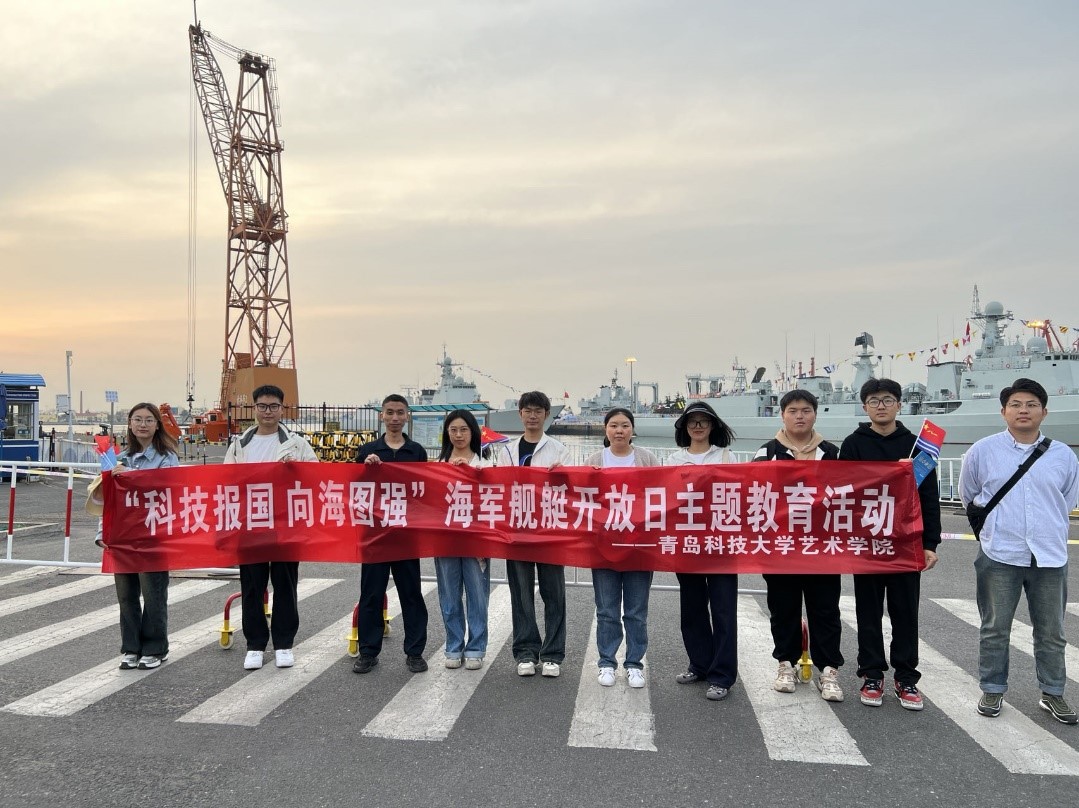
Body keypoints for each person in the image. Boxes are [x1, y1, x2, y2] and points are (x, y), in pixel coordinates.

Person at [960, 378, 1079, 724]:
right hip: (1000, 552)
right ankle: (992, 688)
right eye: (1015, 404)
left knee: (1052, 631)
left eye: (1031, 404)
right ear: (1003, 412)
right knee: (995, 627)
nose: (1023, 410)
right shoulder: (982, 451)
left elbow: (1066, 500)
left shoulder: (1063, 455)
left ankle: (1053, 692)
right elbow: (969, 496)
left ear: (1044, 412)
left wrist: (1045, 528)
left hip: (1049, 555)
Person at [839, 378, 941, 711]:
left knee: (905, 612)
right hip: (867, 542)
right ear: (864, 407)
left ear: (899, 404)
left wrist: (930, 542)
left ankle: (906, 677)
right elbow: (844, 494)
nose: (880, 406)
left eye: (887, 400)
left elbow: (929, 496)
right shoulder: (853, 444)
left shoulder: (916, 447)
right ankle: (871, 674)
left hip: (906, 543)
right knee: (867, 612)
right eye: (873, 401)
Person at [753, 389, 844, 702]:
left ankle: (828, 670)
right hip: (781, 549)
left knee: (826, 610)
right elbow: (752, 494)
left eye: (806, 410)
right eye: (793, 411)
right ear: (782, 415)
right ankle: (785, 664)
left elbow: (850, 495)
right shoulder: (767, 453)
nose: (800, 416)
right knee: (783, 610)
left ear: (815, 414)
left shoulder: (831, 454)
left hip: (822, 548)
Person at [223, 384, 319, 671]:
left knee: (285, 584)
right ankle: (254, 644)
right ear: (254, 409)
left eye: (274, 406)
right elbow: (226, 482)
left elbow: (316, 476)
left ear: (282, 408)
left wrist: (297, 469)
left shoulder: (297, 443)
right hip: (250, 523)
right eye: (263, 406)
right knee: (252, 586)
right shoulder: (239, 444)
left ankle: (283, 643)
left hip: (285, 525)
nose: (268, 411)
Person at [88, 403, 179, 671]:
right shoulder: (118, 458)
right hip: (122, 537)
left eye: (149, 420)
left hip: (153, 534)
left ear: (157, 425)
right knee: (126, 596)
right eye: (137, 419)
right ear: (129, 424)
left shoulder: (166, 458)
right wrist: (102, 532)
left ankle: (155, 648)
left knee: (153, 594)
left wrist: (132, 476)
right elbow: (108, 500)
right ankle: (131, 648)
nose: (142, 424)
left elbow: (168, 489)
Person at [492, 391, 570, 677]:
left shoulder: (560, 450)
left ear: (547, 415)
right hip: (517, 531)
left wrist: (565, 473)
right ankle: (525, 652)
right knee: (521, 595)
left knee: (554, 594)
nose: (533, 415)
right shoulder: (507, 451)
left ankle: (552, 654)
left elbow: (572, 490)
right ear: (520, 414)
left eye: (538, 411)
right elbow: (498, 488)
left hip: (550, 532)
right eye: (528, 410)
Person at [666, 401, 739, 701]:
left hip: (721, 544)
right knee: (692, 607)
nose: (698, 426)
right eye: (692, 421)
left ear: (713, 425)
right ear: (684, 427)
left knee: (723, 610)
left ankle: (722, 675)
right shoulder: (673, 459)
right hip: (687, 542)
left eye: (703, 421)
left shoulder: (727, 456)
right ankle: (699, 664)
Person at [352, 394, 430, 675]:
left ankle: (415, 652)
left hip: (406, 535)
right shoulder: (368, 450)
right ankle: (368, 652)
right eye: (390, 412)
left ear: (407, 416)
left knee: (411, 594)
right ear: (381, 416)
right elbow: (354, 488)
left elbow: (425, 489)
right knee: (371, 594)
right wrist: (365, 467)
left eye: (400, 412)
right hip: (375, 535)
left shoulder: (416, 451)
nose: (395, 417)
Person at [584, 408, 661, 688]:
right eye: (614, 425)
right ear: (605, 429)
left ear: (632, 429)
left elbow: (661, 495)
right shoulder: (594, 460)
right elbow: (580, 497)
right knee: (606, 610)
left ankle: (634, 664)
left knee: (636, 611)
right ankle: (606, 662)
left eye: (625, 425)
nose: (619, 431)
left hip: (639, 547)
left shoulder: (647, 459)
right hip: (604, 547)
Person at [435, 409, 492, 670]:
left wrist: (471, 472)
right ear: (447, 433)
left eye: (464, 429)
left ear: (473, 432)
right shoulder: (436, 465)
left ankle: (476, 647)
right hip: (445, 539)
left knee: (477, 594)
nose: (459, 435)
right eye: (453, 430)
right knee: (449, 595)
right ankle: (454, 645)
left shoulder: (486, 465)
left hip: (476, 540)